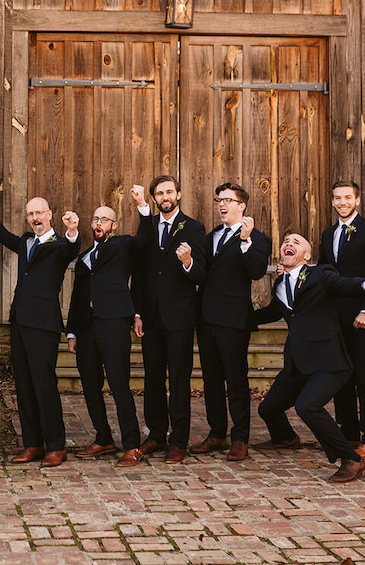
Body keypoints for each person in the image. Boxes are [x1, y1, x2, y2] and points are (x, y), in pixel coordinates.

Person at [254, 233, 365, 484]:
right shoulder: (279, 285)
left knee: (307, 406)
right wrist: (228, 319)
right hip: (298, 363)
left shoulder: (321, 274)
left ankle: (352, 459)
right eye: (286, 241)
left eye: (297, 242)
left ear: (307, 256)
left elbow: (343, 284)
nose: (289, 244)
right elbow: (270, 313)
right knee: (267, 408)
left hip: (328, 362)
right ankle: (286, 438)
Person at [0, 184, 79, 467]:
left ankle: (56, 446)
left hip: (44, 324)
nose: (35, 218)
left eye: (39, 213)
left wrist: (72, 230)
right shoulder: (24, 242)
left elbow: (72, 248)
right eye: (30, 214)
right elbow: (0, 234)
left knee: (44, 384)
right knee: (23, 384)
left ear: (50, 215)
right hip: (19, 321)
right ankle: (32, 443)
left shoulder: (60, 245)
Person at [66, 186, 152, 467]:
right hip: (86, 327)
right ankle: (103, 438)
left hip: (113, 322)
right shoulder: (85, 255)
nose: (98, 223)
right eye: (95, 219)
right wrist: (72, 331)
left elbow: (146, 239)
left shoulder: (123, 245)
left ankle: (132, 445)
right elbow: (77, 295)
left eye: (104, 219)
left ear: (113, 225)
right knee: (90, 385)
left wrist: (141, 205)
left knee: (119, 384)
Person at [188, 182, 272, 463]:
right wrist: (188, 262)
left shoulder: (258, 239)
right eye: (218, 200)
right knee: (211, 379)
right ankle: (217, 433)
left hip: (234, 320)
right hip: (206, 318)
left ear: (241, 205)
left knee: (236, 380)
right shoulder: (210, 236)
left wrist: (246, 240)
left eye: (227, 200)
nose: (221, 204)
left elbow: (257, 271)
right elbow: (201, 274)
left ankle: (240, 438)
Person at [131, 175, 208, 464]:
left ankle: (178, 441)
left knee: (178, 379)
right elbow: (138, 275)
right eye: (159, 193)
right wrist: (137, 313)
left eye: (169, 192)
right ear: (153, 198)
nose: (165, 196)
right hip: (150, 317)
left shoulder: (194, 228)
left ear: (178, 194)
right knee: (152, 378)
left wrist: (188, 261)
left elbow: (201, 274)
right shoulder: (147, 227)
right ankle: (156, 435)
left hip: (179, 317)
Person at [318, 179, 365, 459]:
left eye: (347, 197)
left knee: (363, 373)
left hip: (362, 314)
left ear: (357, 200)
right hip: (335, 315)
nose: (342, 202)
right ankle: (348, 432)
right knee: (341, 372)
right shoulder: (328, 234)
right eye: (337, 198)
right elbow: (325, 273)